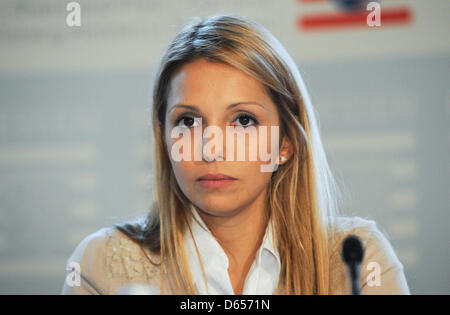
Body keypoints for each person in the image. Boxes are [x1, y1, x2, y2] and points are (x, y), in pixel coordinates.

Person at [61, 14, 410, 295]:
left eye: (243, 120)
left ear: (285, 142)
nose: (211, 148)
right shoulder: (102, 264)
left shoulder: (357, 259)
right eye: (187, 121)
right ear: (164, 140)